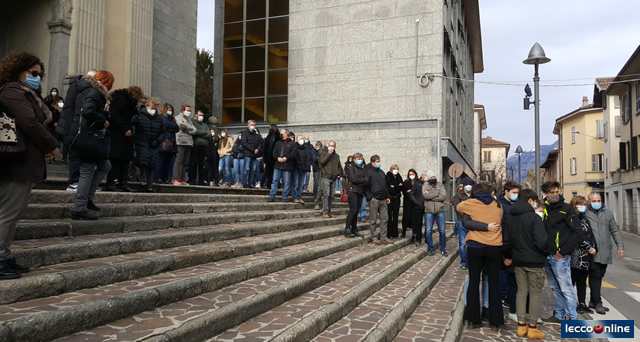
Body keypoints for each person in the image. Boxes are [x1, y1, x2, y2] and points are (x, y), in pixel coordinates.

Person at [0, 52, 59, 279]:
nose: (37, 78)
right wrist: (51, 145)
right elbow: (29, 122)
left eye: (40, 75)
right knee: (7, 212)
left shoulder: (25, 93)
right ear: (19, 71)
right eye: (33, 73)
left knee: (14, 212)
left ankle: (4, 256)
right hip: (15, 160)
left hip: (23, 160)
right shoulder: (12, 91)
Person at [457, 183, 504, 331]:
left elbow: (459, 207)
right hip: (495, 247)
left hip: (476, 246)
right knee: (494, 283)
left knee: (474, 282)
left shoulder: (470, 203)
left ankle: (473, 318)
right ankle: (495, 320)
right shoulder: (498, 205)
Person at [502, 189, 548, 339]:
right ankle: (532, 327)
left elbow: (506, 241)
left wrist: (509, 256)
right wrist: (546, 252)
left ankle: (521, 326)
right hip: (535, 261)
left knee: (521, 292)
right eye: (534, 201)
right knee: (534, 294)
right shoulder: (534, 218)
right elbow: (542, 241)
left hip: (518, 260)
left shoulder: (510, 218)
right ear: (530, 201)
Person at [70, 70, 114, 220]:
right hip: (87, 137)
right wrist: (103, 120)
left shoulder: (88, 91)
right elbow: (88, 111)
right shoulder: (94, 93)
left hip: (86, 135)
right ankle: (79, 207)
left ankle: (87, 199)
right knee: (87, 170)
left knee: (105, 166)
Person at [540, 181, 582, 323]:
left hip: (560, 256)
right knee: (555, 287)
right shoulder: (545, 209)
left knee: (566, 288)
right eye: (551, 192)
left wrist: (563, 251)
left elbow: (577, 232)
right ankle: (559, 314)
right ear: (545, 194)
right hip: (547, 255)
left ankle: (571, 318)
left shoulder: (566, 209)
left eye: (557, 191)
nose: (555, 194)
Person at [585, 192, 624, 315]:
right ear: (589, 201)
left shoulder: (608, 213)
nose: (597, 203)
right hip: (592, 251)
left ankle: (592, 300)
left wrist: (620, 247)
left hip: (605, 250)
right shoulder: (585, 213)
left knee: (600, 275)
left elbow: (614, 230)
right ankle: (598, 302)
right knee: (595, 275)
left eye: (599, 200)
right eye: (594, 201)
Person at [59, 70, 96, 190]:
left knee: (82, 156)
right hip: (73, 126)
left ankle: (81, 181)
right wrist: (72, 126)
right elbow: (69, 108)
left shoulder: (88, 90)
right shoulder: (76, 87)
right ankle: (74, 181)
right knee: (74, 155)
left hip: (82, 126)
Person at [105, 85, 143, 191]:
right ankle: (111, 182)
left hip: (126, 132)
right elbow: (115, 115)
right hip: (118, 131)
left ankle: (123, 182)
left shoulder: (130, 102)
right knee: (116, 158)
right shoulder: (121, 99)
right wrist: (125, 128)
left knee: (125, 159)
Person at [569, 195, 598, 315]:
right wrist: (588, 247)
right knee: (572, 280)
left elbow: (590, 234)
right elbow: (577, 236)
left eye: (585, 204)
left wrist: (595, 247)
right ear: (575, 205)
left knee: (582, 281)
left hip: (586, 256)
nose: (583, 207)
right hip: (576, 255)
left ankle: (582, 303)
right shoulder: (571, 218)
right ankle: (571, 305)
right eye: (581, 204)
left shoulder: (585, 218)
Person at [497, 181, 521, 318]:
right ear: (506, 192)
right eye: (514, 192)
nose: (516, 195)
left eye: (517, 193)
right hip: (503, 241)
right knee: (503, 271)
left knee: (508, 271)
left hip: (512, 242)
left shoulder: (513, 204)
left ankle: (506, 295)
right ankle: (502, 296)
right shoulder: (501, 205)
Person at [130, 97, 164, 191]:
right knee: (143, 161)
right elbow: (132, 125)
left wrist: (157, 141)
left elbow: (163, 132)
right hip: (142, 141)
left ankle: (149, 185)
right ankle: (143, 180)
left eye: (155, 108)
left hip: (154, 144)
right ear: (147, 106)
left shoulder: (159, 119)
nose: (153, 110)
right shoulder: (139, 115)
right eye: (152, 108)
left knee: (152, 164)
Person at [365, 155, 391, 244]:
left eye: (379, 161)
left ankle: (384, 237)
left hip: (383, 198)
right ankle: (374, 237)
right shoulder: (368, 172)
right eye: (377, 161)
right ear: (372, 162)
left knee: (384, 218)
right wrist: (369, 197)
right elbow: (366, 187)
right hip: (374, 199)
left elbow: (385, 186)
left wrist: (387, 196)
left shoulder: (382, 172)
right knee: (373, 219)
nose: (379, 163)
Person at [423, 170, 447, 256]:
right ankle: (430, 249)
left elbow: (443, 196)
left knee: (442, 231)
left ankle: (443, 249)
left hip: (439, 210)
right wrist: (437, 194)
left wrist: (431, 196)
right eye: (431, 177)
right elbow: (425, 196)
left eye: (434, 177)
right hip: (429, 210)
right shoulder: (425, 185)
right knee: (428, 231)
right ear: (428, 178)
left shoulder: (440, 185)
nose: (433, 178)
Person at [452, 176, 474, 270]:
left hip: (473, 221)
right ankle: (464, 262)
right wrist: (465, 216)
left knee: (472, 242)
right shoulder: (458, 195)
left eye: (470, 184)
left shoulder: (475, 194)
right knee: (462, 243)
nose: (468, 186)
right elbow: (457, 207)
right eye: (467, 184)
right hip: (462, 220)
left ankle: (471, 261)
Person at [268, 129, 295, 201]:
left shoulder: (292, 143)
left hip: (287, 165)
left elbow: (293, 154)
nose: (281, 135)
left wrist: (287, 158)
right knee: (275, 181)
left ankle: (285, 196)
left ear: (287, 134)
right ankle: (272, 196)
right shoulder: (278, 143)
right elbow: (274, 153)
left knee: (286, 182)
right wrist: (277, 158)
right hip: (278, 165)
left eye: (282, 133)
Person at [172, 104, 196, 185]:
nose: (189, 112)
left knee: (185, 162)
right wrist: (189, 128)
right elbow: (182, 127)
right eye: (187, 110)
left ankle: (182, 179)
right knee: (179, 161)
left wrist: (188, 130)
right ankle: (176, 178)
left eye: (190, 111)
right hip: (181, 141)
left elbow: (195, 130)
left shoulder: (189, 120)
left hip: (189, 142)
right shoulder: (177, 118)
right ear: (183, 110)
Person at [345, 153, 368, 238]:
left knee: (357, 211)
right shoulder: (351, 168)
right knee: (353, 210)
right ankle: (347, 228)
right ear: (354, 160)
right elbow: (353, 179)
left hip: (360, 192)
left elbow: (367, 180)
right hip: (353, 190)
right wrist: (363, 180)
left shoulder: (363, 169)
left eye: (361, 158)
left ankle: (354, 229)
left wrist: (362, 180)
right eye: (358, 158)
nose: (360, 160)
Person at [155, 103, 179, 184]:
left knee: (169, 163)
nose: (170, 112)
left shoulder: (172, 119)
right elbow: (165, 124)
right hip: (163, 142)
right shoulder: (160, 117)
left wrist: (170, 128)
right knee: (161, 161)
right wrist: (171, 127)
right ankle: (158, 177)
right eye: (169, 110)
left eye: (171, 111)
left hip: (171, 144)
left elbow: (177, 128)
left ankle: (165, 178)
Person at [319, 140, 343, 218]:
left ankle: (329, 211)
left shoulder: (336, 156)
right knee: (326, 194)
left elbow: (339, 166)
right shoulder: (323, 153)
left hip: (334, 177)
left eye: (333, 146)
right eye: (330, 145)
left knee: (331, 195)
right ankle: (325, 211)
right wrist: (328, 154)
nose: (331, 147)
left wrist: (339, 173)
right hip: (326, 176)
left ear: (335, 147)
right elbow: (322, 162)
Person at [188, 110, 210, 186]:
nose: (201, 117)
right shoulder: (193, 122)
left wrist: (200, 132)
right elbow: (195, 131)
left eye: (202, 115)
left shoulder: (205, 124)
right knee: (193, 163)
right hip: (195, 145)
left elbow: (209, 134)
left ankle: (201, 180)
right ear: (196, 115)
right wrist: (204, 132)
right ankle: (192, 179)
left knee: (202, 164)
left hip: (204, 146)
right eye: (200, 115)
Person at [240, 120, 262, 188]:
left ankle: (251, 183)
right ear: (248, 125)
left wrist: (258, 149)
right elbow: (244, 143)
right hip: (247, 153)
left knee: (253, 169)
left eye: (254, 125)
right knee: (246, 169)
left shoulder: (256, 134)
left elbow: (260, 142)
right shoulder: (244, 133)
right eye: (252, 124)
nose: (253, 126)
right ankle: (244, 182)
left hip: (254, 154)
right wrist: (253, 150)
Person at [386, 164, 403, 239]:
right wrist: (396, 186)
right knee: (389, 215)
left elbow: (401, 186)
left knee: (396, 215)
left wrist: (395, 186)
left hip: (397, 197)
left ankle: (395, 232)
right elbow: (389, 187)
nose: (396, 170)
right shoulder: (388, 176)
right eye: (395, 169)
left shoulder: (399, 176)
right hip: (390, 197)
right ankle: (389, 232)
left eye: (397, 169)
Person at [292, 135, 310, 203]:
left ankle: (299, 196)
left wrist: (307, 167)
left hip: (303, 168)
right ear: (297, 140)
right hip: (296, 168)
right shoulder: (294, 147)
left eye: (303, 139)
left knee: (301, 184)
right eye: (300, 139)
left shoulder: (306, 148)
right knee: (295, 184)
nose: (302, 140)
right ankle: (295, 197)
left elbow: (308, 158)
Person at [261, 124, 279, 188]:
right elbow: (265, 148)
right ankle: (267, 184)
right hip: (269, 159)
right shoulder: (268, 137)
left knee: (272, 173)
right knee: (269, 173)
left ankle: (270, 184)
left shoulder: (277, 137)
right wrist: (265, 159)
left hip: (274, 158)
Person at [314, 141, 328, 210]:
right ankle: (317, 202)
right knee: (321, 188)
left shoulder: (334, 154)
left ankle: (326, 206)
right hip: (323, 172)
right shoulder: (321, 151)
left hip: (330, 173)